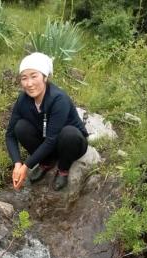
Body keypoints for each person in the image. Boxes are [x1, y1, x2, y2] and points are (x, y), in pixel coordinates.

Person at [6, 52, 89, 191]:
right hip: (48, 141)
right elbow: (10, 135)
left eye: (34, 76)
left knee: (69, 134)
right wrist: (17, 164)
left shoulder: (58, 99)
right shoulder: (23, 99)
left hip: (71, 144)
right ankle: (46, 161)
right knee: (20, 127)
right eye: (24, 78)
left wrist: (26, 167)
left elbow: (52, 139)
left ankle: (63, 169)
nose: (29, 83)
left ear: (45, 77)